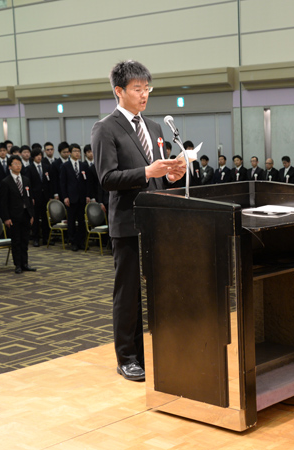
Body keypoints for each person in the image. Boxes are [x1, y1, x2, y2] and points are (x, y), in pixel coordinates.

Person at [92, 60, 185, 382]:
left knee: (160, 291)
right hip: (128, 222)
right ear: (120, 91)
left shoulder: (155, 128)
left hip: (157, 222)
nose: (144, 95)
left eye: (147, 89)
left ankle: (154, 352)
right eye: (137, 89)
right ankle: (127, 357)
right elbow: (107, 178)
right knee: (128, 294)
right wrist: (147, 171)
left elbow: (158, 177)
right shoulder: (106, 128)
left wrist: (172, 175)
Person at [0, 155, 36, 274]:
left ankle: (25, 263)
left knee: (25, 240)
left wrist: (31, 215)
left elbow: (29, 198)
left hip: (25, 214)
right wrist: (6, 218)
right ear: (10, 167)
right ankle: (18, 265)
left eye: (19, 163)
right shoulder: (6, 182)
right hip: (13, 216)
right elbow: (2, 203)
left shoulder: (26, 180)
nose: (18, 165)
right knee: (16, 241)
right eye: (15, 164)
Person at [60, 143, 92, 251]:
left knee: (82, 221)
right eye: (75, 151)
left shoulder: (84, 165)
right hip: (71, 197)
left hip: (82, 197)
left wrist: (88, 195)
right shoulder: (65, 166)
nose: (77, 153)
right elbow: (63, 183)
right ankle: (73, 241)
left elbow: (87, 182)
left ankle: (81, 241)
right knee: (72, 221)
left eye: (78, 151)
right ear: (70, 153)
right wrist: (65, 197)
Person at [26, 147, 53, 247]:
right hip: (35, 197)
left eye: (40, 155)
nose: (39, 157)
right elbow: (28, 185)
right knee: (36, 219)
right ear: (33, 157)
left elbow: (50, 182)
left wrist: (50, 195)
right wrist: (30, 197)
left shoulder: (46, 167)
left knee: (46, 218)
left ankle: (46, 238)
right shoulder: (29, 168)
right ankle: (36, 238)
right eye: (37, 155)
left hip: (45, 196)